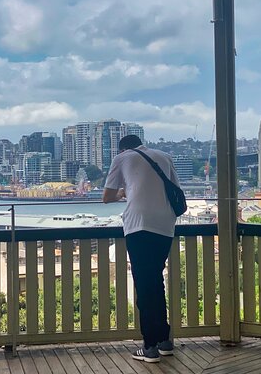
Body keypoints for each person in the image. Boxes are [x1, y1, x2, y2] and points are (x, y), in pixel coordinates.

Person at [102, 134, 180, 363]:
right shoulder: (164, 156)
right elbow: (174, 188)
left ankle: (149, 346)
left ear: (122, 148)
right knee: (156, 280)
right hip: (165, 225)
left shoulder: (122, 158)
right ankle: (164, 340)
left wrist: (123, 193)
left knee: (144, 286)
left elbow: (106, 196)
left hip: (139, 226)